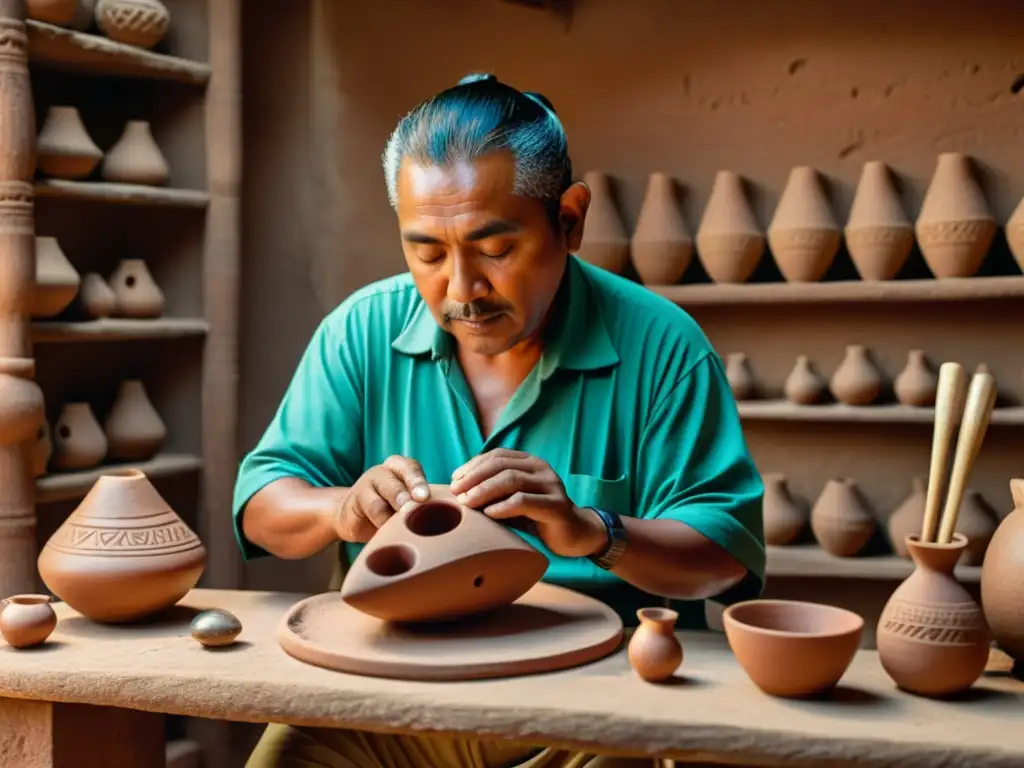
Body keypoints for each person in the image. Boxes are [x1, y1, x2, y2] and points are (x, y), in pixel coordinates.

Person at [234, 72, 765, 768]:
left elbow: (724, 559)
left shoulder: (661, 343)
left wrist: (592, 531)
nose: (461, 290)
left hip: (595, 701)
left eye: (495, 250)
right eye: (426, 252)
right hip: (389, 693)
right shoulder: (360, 330)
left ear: (569, 220)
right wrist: (342, 509)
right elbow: (261, 504)